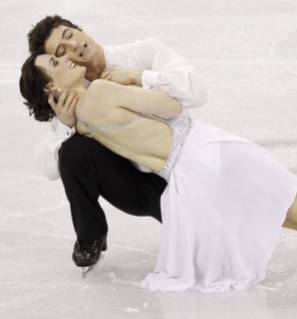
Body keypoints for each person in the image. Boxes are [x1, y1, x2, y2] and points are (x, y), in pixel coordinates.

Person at [19, 52, 297, 294]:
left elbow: (79, 148)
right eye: (54, 63)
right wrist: (141, 79)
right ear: (53, 87)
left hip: (189, 182)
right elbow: (174, 106)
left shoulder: (79, 124)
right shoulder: (101, 89)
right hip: (208, 152)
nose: (65, 59)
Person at [26, 15, 207, 270]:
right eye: (61, 53)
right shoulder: (69, 95)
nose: (73, 48)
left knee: (223, 232)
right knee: (72, 150)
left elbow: (196, 91)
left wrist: (139, 75)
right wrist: (70, 128)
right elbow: (47, 166)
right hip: (142, 187)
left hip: (184, 164)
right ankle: (91, 236)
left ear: (80, 29)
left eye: (70, 35)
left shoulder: (141, 52)